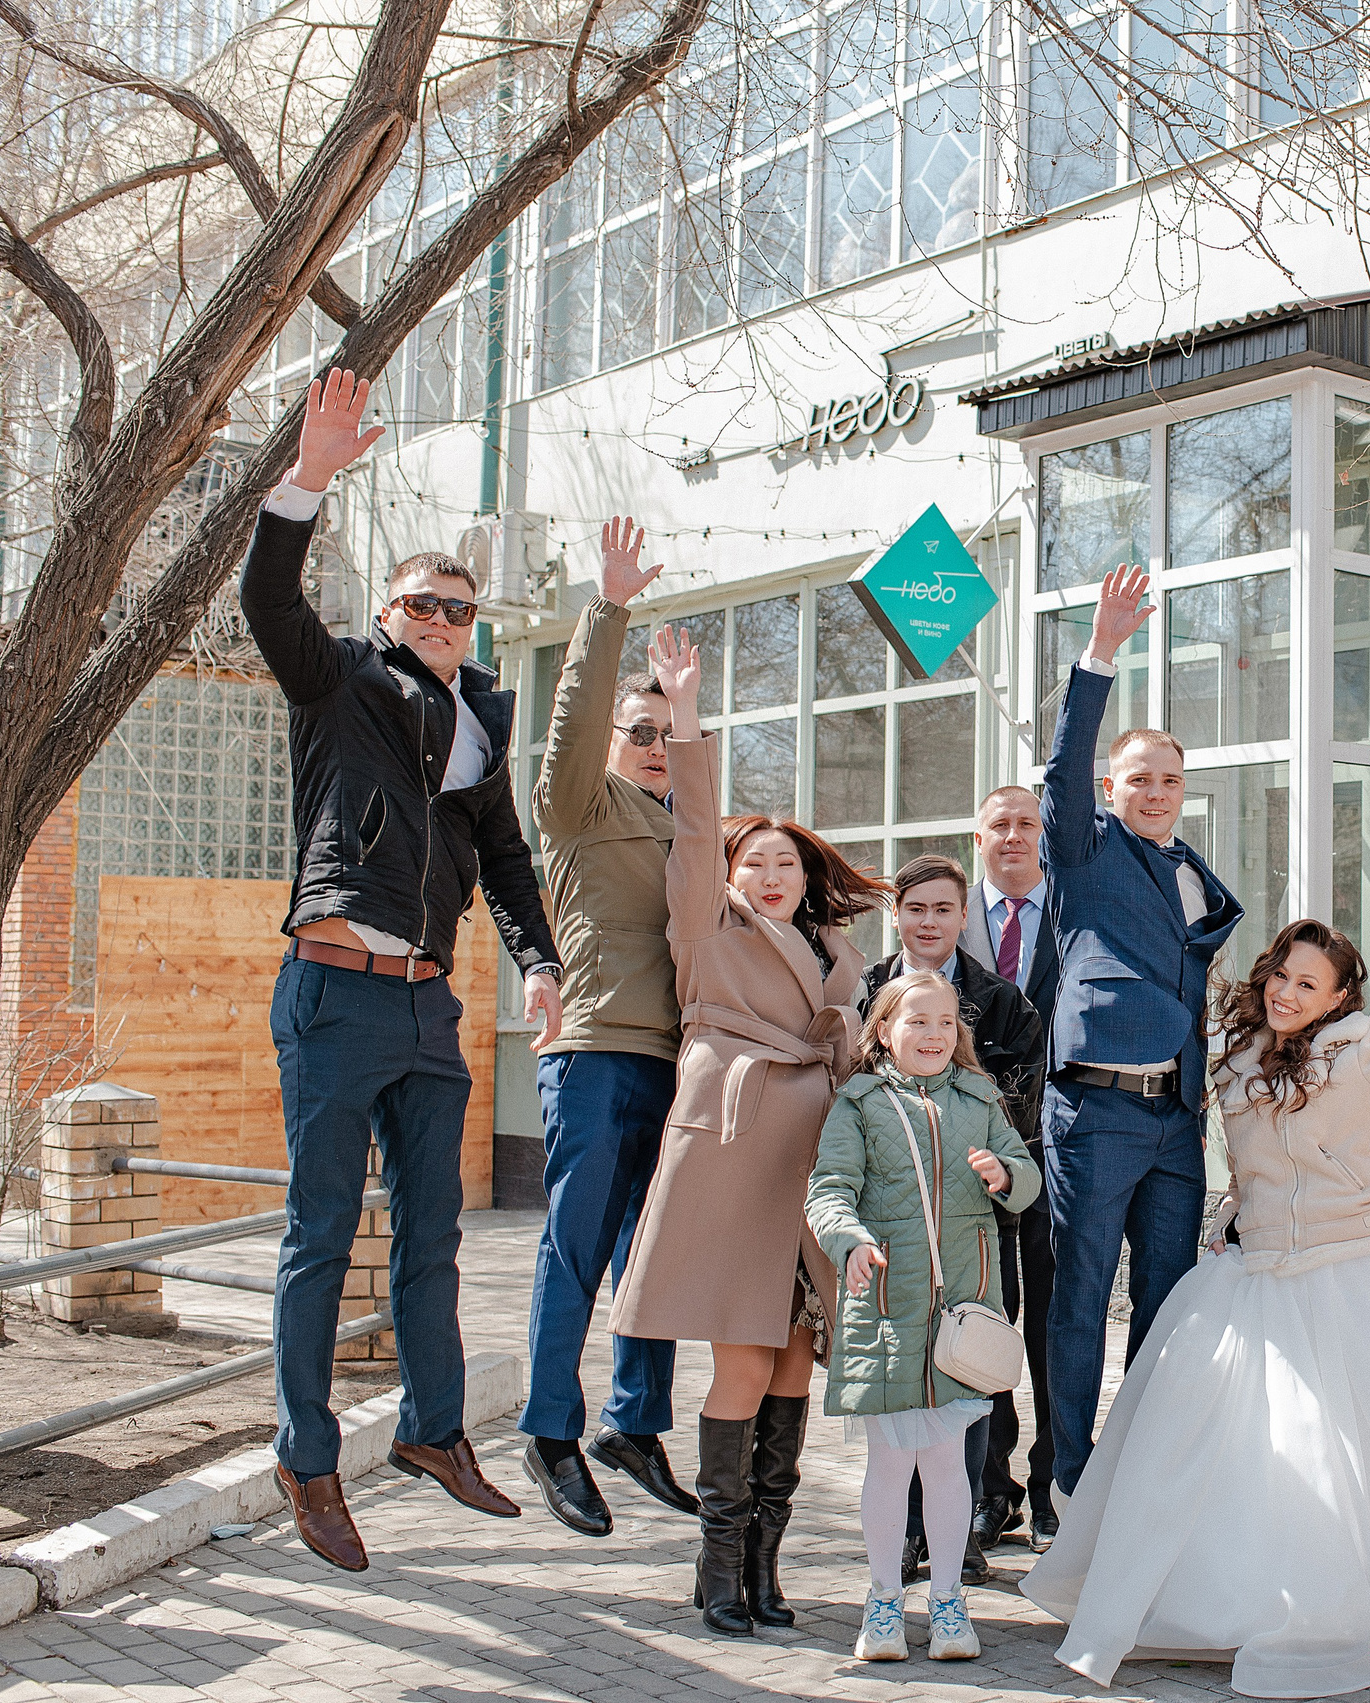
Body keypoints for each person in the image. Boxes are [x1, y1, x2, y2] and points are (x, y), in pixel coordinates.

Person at [1026, 921, 1370, 1699]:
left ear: (1340, 996)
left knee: (1348, 1452)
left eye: (1307, 984)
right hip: (1253, 1270)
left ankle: (1363, 1602)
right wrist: (1227, 1218)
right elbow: (1248, 1166)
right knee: (1221, 1444)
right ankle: (1216, 1594)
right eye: (1281, 975)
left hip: (1350, 1268)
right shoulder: (1235, 1054)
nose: (1286, 993)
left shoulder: (1363, 1047)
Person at [240, 369, 559, 1574]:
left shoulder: (479, 722)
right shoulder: (340, 684)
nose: (440, 620)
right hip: (334, 989)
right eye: (423, 603)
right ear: (388, 608)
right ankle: (307, 1458)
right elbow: (269, 596)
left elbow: (508, 859)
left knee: (436, 1237)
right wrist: (309, 476)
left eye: (459, 609)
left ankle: (433, 1432)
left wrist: (535, 963)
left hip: (431, 1006)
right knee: (322, 1233)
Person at [609, 626, 886, 1636]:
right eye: (753, 860)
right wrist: (684, 716)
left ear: (807, 878)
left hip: (814, 1165)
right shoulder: (708, 927)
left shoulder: (839, 959)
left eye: (785, 863)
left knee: (790, 1363)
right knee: (738, 1358)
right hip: (736, 1147)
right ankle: (717, 1569)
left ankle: (764, 1570)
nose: (770, 874)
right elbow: (688, 837)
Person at [1037, 564, 1243, 1503]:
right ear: (1110, 787)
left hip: (1176, 1120)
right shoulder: (1083, 851)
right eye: (1138, 779)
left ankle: (1145, 1477)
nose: (1156, 792)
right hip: (1095, 1109)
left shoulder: (1196, 872)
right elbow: (1061, 768)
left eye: (1169, 779)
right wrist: (1101, 653)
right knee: (1079, 1297)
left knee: (1167, 1303)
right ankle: (1067, 1483)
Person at [519, 515, 694, 1538]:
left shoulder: (690, 820)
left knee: (656, 1255)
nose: (655, 744)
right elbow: (575, 719)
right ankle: (549, 1428)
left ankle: (634, 1422)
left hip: (679, 1064)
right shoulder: (582, 803)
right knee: (574, 1247)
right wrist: (608, 610)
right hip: (593, 1052)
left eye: (668, 732)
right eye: (643, 729)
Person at [808, 974, 1043, 1664]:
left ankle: (947, 1601)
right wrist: (848, 1237)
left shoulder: (980, 1097)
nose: (934, 1034)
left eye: (945, 1022)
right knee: (889, 1462)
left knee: (947, 1465)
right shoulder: (860, 1102)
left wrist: (1003, 1173)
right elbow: (829, 1188)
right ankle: (883, 1599)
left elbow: (1027, 1176)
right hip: (884, 1309)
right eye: (917, 1021)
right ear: (884, 1030)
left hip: (961, 1317)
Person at [859, 853, 1044, 1587]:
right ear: (896, 915)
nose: (929, 922)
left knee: (968, 1375)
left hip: (975, 1221)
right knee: (900, 1379)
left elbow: (1016, 1118)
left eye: (943, 909)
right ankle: (904, 1534)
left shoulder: (1005, 1004)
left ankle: (962, 1531)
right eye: (916, 909)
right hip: (893, 1223)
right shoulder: (868, 991)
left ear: (963, 915)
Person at [963, 785, 1063, 1548]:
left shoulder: (1078, 913)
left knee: (1055, 1326)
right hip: (975, 1159)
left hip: (1060, 1150)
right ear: (978, 837)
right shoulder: (946, 919)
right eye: (1000, 824)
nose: (1014, 836)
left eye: (1027, 823)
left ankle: (1054, 1478)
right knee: (986, 1319)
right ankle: (990, 1487)